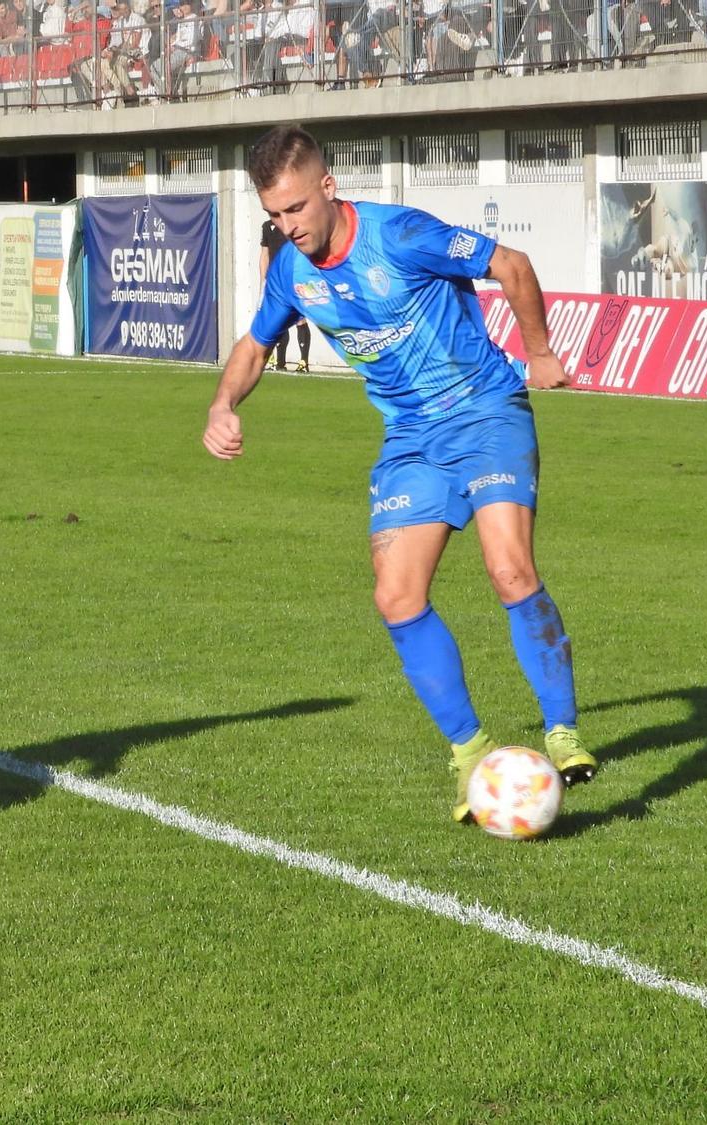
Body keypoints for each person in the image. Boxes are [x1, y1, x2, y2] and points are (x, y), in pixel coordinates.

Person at [202, 125, 597, 825]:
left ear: (328, 187)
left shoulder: (402, 235)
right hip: (411, 440)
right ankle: (470, 751)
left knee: (509, 569)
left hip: (485, 412)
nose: (287, 226)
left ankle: (563, 731)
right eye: (274, 214)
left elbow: (512, 263)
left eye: (295, 208)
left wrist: (539, 352)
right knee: (395, 595)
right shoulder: (292, 274)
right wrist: (223, 403)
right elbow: (255, 344)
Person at [258, 217, 310, 370]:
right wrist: (263, 281)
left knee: (300, 318)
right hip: (275, 280)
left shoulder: (294, 225)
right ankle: (280, 362)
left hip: (293, 278)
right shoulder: (267, 226)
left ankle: (303, 362)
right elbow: (264, 255)